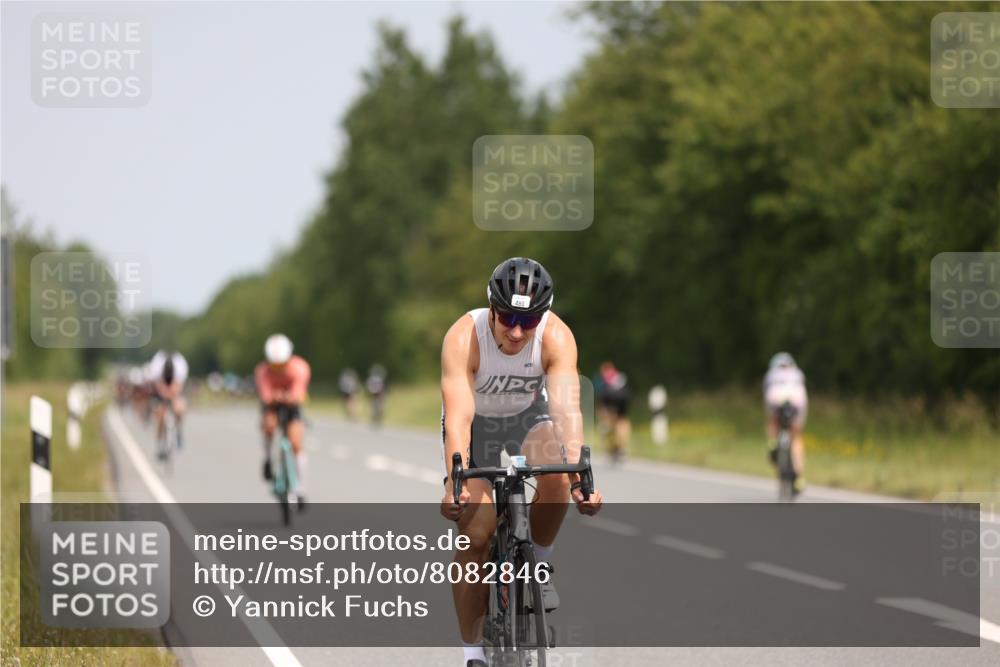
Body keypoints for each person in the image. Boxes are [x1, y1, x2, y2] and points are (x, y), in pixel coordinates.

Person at [438, 257, 604, 667]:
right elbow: (458, 414)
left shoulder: (556, 337)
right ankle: (472, 653)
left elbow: (568, 412)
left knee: (559, 475)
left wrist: (581, 475)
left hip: (529, 418)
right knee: (476, 534)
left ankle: (539, 564)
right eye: (508, 317)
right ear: (491, 308)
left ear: (541, 319)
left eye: (527, 322)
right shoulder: (464, 337)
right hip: (477, 423)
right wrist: (455, 483)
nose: (516, 331)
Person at [255, 334, 312, 509]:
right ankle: (268, 458)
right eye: (274, 365)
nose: (278, 369)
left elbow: (298, 393)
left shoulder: (300, 367)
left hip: (292, 405)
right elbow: (266, 395)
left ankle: (299, 487)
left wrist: (287, 396)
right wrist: (275, 398)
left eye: (282, 365)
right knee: (269, 425)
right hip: (272, 405)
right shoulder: (262, 371)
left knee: (296, 443)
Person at [764, 352, 808, 494]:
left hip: (775, 399)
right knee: (796, 436)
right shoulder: (797, 373)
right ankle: (799, 476)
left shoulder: (771, 374)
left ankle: (772, 445)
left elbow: (766, 399)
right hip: (797, 401)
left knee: (773, 421)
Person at [149, 349, 189, 456]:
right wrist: (165, 394)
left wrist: (172, 395)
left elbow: (178, 387)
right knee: (160, 416)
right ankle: (160, 443)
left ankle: (179, 431)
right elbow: (158, 387)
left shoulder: (179, 371)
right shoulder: (157, 371)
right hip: (160, 393)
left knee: (179, 409)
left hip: (174, 392)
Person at [594, 361, 631, 463]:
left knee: (607, 425)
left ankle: (612, 448)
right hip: (622, 402)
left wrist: (602, 414)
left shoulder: (602, 379)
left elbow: (600, 397)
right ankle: (621, 447)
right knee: (622, 422)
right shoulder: (620, 377)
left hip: (609, 402)